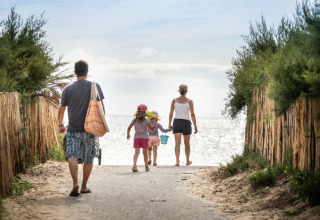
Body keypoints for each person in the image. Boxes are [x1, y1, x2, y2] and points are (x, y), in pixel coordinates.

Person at [58, 60, 105, 197]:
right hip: (90, 129)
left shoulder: (68, 89)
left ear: (74, 73)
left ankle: (75, 184)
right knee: (88, 158)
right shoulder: (95, 87)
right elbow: (102, 109)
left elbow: (61, 110)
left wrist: (61, 125)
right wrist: (101, 126)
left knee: (72, 156)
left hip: (72, 129)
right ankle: (84, 186)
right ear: (87, 72)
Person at [168, 84, 198, 166]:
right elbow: (192, 114)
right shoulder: (190, 101)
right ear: (186, 91)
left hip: (177, 122)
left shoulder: (174, 101)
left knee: (177, 143)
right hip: (186, 123)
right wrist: (195, 126)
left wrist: (169, 124)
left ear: (179, 90)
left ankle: (177, 161)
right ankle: (187, 161)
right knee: (187, 143)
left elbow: (171, 113)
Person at [127, 104, 158, 172]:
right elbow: (152, 129)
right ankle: (146, 167)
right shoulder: (146, 120)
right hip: (145, 138)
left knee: (136, 153)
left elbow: (129, 128)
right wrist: (155, 122)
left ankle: (134, 165)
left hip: (136, 138)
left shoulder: (134, 120)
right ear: (145, 113)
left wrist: (128, 134)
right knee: (145, 153)